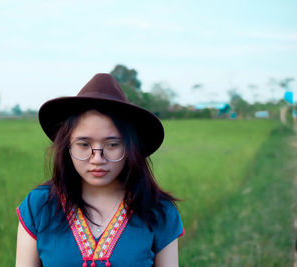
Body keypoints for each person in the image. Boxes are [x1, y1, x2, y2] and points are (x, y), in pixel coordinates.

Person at [16, 73, 184, 267]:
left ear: (130, 148)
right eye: (84, 144)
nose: (97, 159)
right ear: (67, 146)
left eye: (112, 145)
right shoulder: (39, 206)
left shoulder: (160, 211)